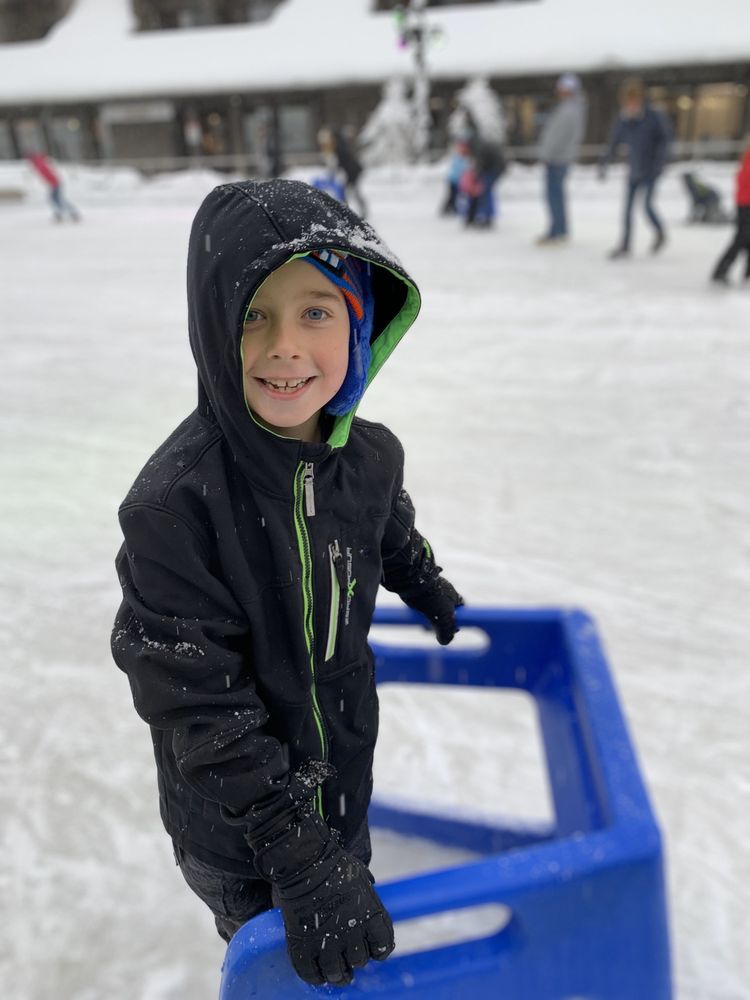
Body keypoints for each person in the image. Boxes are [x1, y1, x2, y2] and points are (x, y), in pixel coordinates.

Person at [111, 179, 463, 987]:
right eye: (254, 315)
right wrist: (299, 859)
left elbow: (386, 520)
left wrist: (422, 577)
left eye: (316, 312)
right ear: (214, 329)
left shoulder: (370, 454)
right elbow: (196, 705)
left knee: (346, 929)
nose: (284, 347)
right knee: (288, 967)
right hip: (240, 830)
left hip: (341, 765)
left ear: (359, 324)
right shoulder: (176, 506)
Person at [599, 77, 672, 259]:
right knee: (627, 209)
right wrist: (605, 162)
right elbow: (614, 142)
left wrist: (660, 163)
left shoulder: (653, 117)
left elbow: (665, 140)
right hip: (635, 169)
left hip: (651, 169)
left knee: (647, 206)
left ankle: (660, 232)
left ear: (640, 99)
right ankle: (625, 245)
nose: (630, 103)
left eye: (633, 99)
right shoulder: (624, 119)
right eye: (627, 100)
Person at [536, 73, 588, 244]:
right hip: (559, 157)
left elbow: (558, 136)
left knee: (554, 196)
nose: (558, 91)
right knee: (556, 195)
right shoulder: (570, 108)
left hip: (557, 159)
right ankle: (559, 229)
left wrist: (547, 153)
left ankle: (557, 231)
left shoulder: (569, 111)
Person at [711, 137, 750, 285]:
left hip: (744, 203)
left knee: (745, 239)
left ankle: (746, 274)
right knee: (741, 239)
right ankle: (721, 270)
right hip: (746, 205)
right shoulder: (748, 159)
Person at [317, 126, 368, 219]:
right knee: (348, 191)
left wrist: (332, 174)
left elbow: (342, 161)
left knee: (352, 191)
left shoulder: (339, 146)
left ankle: (350, 211)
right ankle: (347, 210)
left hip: (353, 171)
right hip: (352, 170)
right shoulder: (340, 144)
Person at [27, 151, 80, 222]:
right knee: (56, 199)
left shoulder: (39, 163)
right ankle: (64, 212)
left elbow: (45, 171)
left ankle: (68, 212)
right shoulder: (39, 163)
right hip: (54, 183)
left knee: (56, 199)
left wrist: (52, 183)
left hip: (54, 183)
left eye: (29, 160)